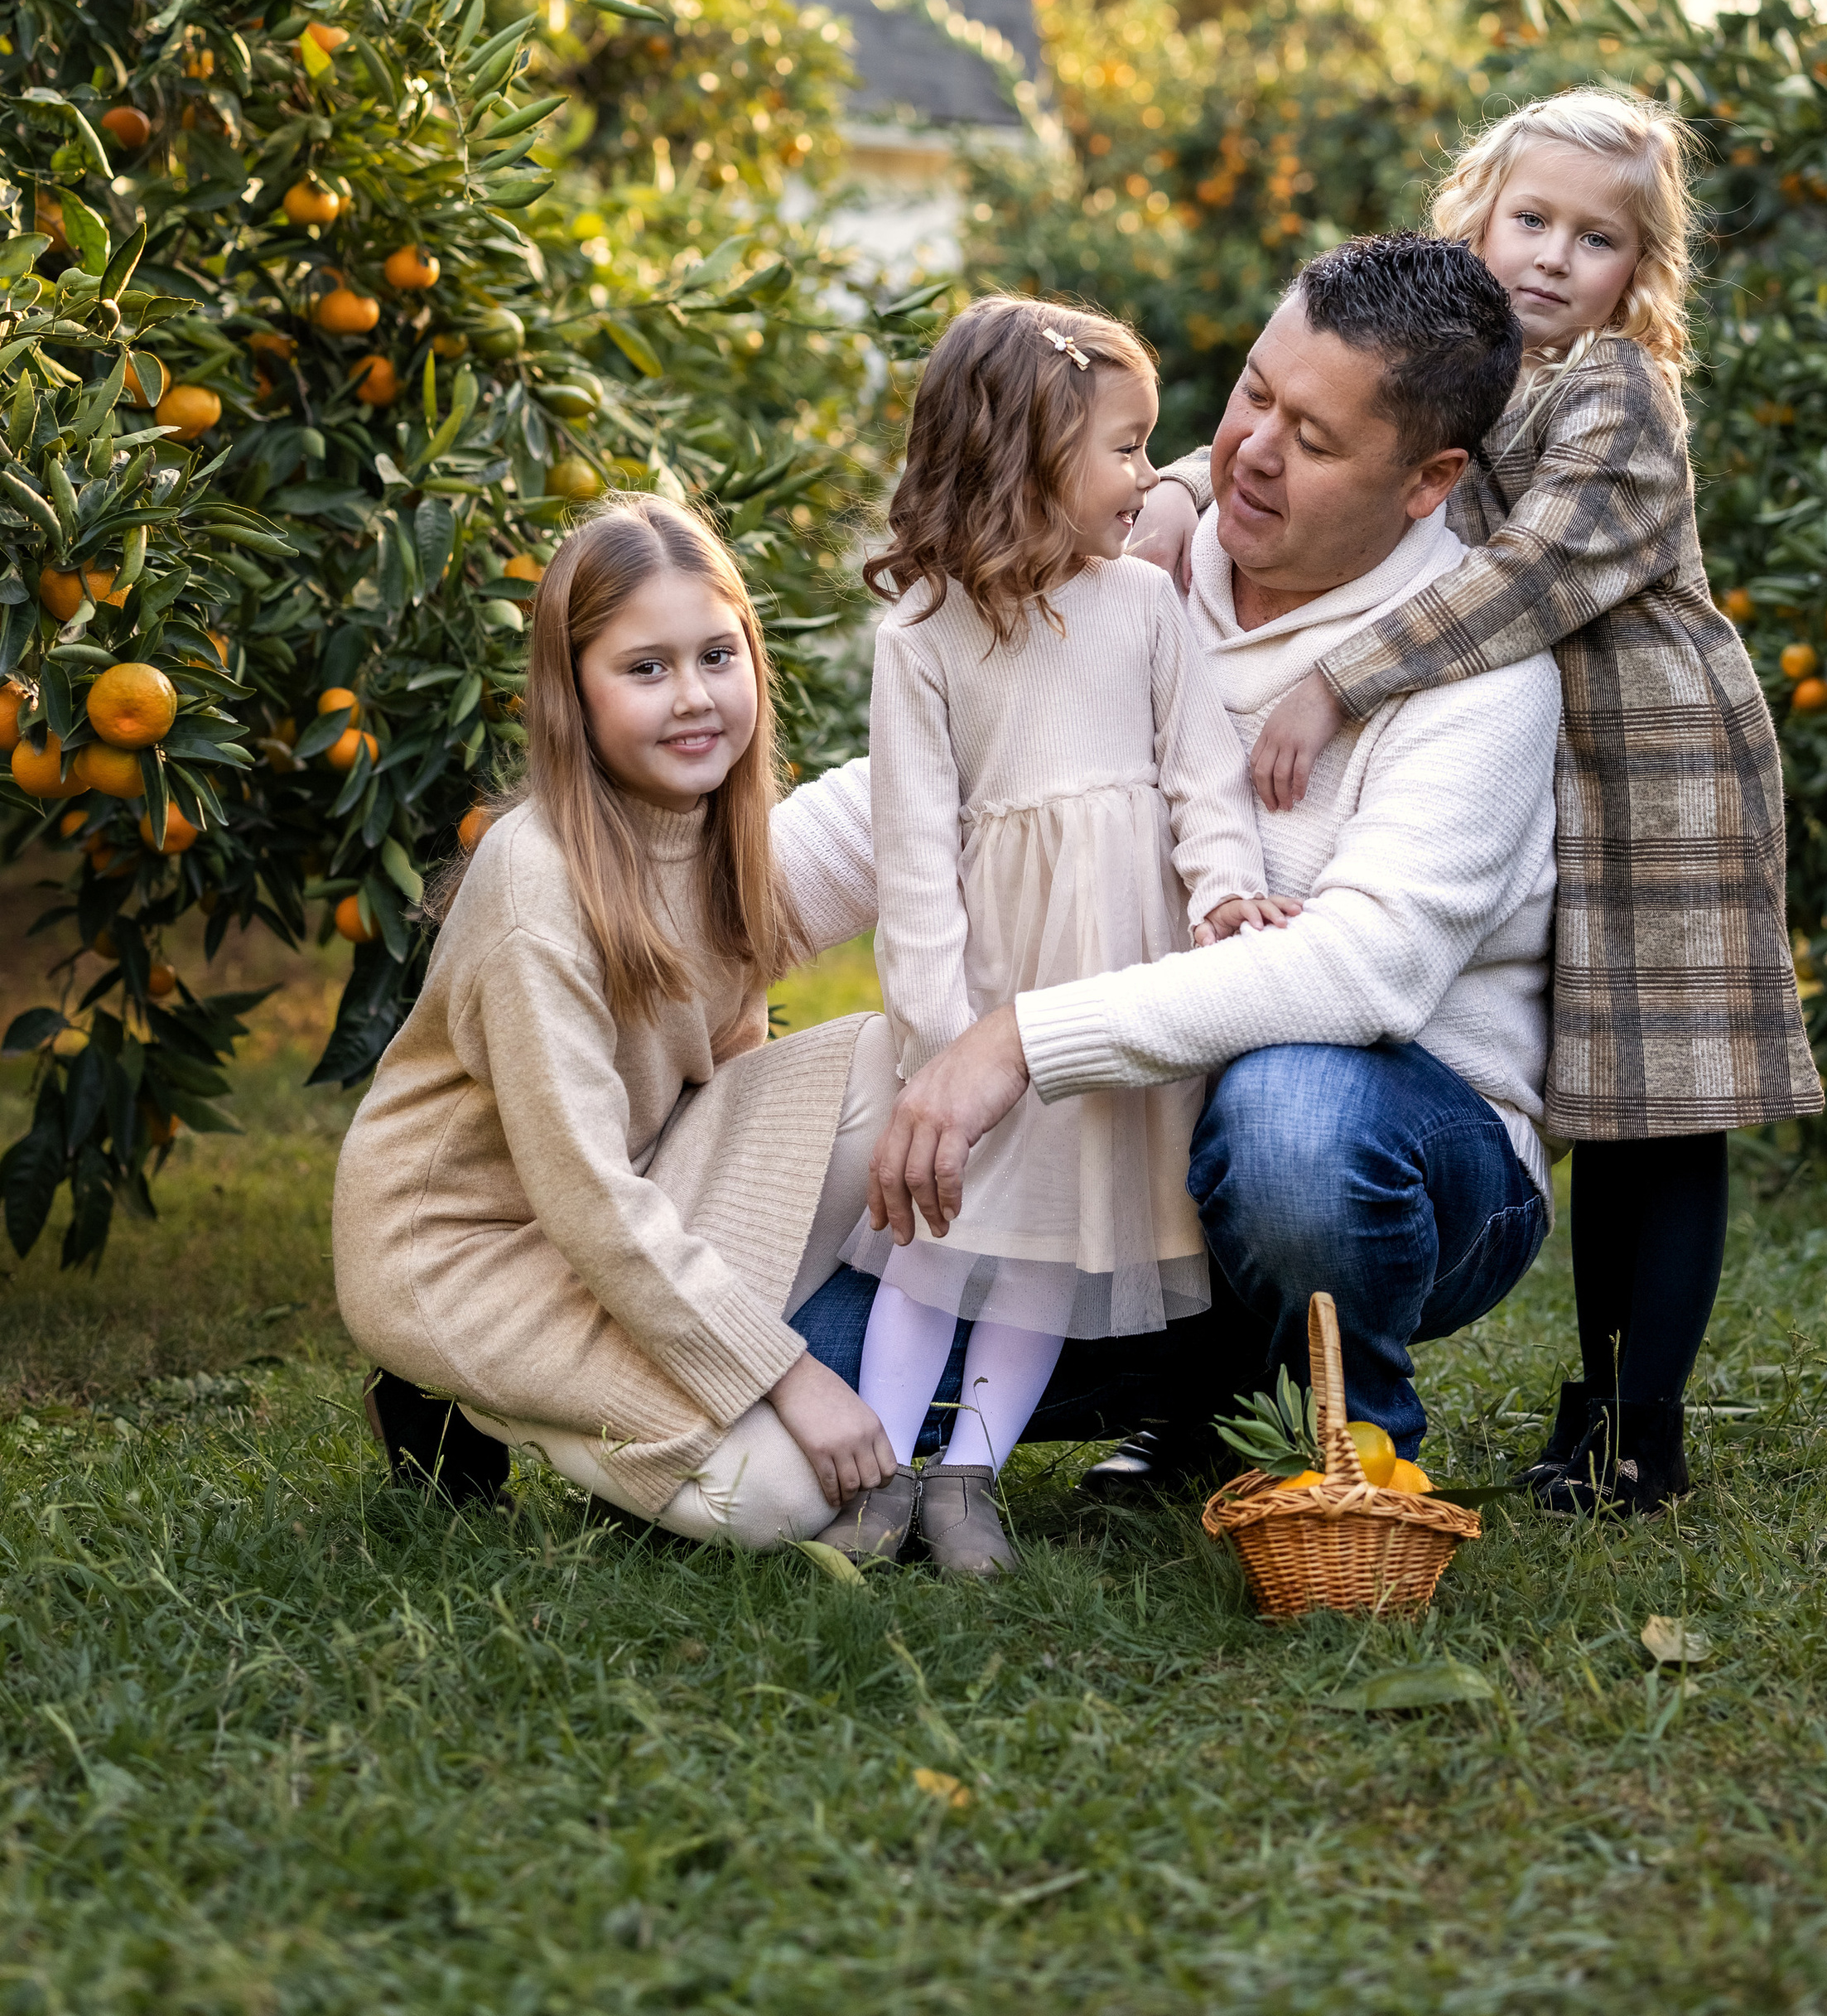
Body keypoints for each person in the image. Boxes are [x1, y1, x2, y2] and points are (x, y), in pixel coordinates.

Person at [1135, 89, 1822, 1515]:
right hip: (1541, 752)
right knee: (1580, 1083)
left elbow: (1531, 575)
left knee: (1655, 1114)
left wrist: (1345, 680)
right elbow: (1342, 433)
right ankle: (1296, 1395)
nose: (1557, 258)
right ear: (1477, 213)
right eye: (1532, 219)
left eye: (1600, 238)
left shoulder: (1617, 393)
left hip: (1654, 771)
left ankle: (1634, 1426)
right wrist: (1165, 493)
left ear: (1644, 271)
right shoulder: (1482, 372)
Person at [812, 234, 1564, 1480]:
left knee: (1292, 1118)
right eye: (1255, 394)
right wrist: (631, 909)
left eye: (1313, 441)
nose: (1250, 454)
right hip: (1120, 1147)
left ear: (1428, 480)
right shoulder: (1126, 563)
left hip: (1403, 1156)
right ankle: (1197, 1383)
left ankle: (1341, 1451)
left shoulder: (1479, 676)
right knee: (814, 1359)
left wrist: (1014, 1042)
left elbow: (1361, 973)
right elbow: (915, 804)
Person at [333, 495, 902, 1549]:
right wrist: (788, 1374)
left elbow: (730, 1082)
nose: (693, 699)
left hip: (620, 1202)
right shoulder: (535, 884)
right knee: (785, 1503)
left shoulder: (720, 833)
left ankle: (663, 1402)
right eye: (646, 669)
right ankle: (462, 1396)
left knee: (883, 1063)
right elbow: (581, 1192)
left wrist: (742, 1285)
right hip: (476, 1251)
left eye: (715, 656)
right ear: (573, 693)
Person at [820, 296, 1287, 1577]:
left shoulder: (1145, 604)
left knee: (1039, 1248)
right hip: (989, 985)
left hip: (1114, 982)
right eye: (1128, 449)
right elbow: (914, 857)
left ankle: (969, 1475)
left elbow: (1204, 781)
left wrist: (1224, 897)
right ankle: (880, 1467)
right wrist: (940, 1042)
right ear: (1024, 455)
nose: (1154, 477)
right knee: (940, 1238)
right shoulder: (921, 635)